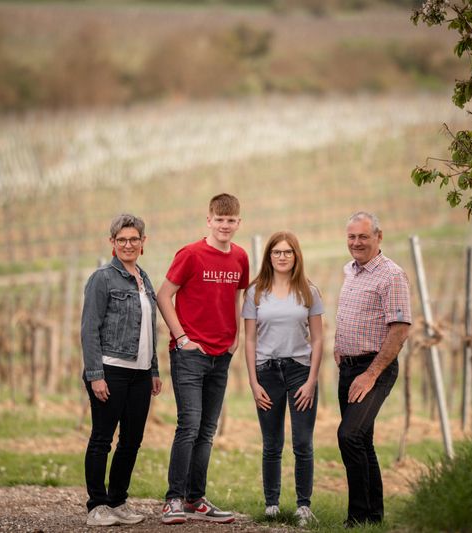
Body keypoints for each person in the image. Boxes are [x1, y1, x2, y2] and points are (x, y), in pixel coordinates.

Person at [157, 193, 250, 525]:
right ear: (209, 220)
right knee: (189, 425)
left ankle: (195, 500)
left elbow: (237, 297)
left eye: (231, 220)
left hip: (221, 355)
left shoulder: (240, 257)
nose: (225, 225)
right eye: (219, 219)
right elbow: (164, 295)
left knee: (208, 430)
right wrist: (182, 338)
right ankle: (173, 500)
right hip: (190, 355)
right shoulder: (191, 254)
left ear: (238, 223)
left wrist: (236, 336)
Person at [80, 213, 163, 527]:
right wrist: (95, 375)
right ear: (112, 243)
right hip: (110, 370)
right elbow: (89, 329)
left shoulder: (144, 278)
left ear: (143, 242)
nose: (128, 245)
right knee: (102, 439)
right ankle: (97, 506)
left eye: (134, 239)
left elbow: (150, 328)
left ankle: (117, 500)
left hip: (140, 374)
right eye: (122, 240)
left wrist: (153, 370)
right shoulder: (102, 278)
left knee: (131, 441)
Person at [334, 211, 411, 527]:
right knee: (362, 440)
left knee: (349, 435)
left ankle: (356, 517)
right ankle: (373, 518)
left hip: (375, 368)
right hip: (348, 367)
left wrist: (370, 374)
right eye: (352, 236)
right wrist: (340, 345)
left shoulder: (391, 275)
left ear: (379, 237)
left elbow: (400, 329)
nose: (356, 242)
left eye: (363, 236)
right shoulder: (350, 270)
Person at [242, 231, 324, 527]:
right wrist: (254, 383)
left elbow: (318, 339)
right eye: (276, 252)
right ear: (269, 256)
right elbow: (250, 339)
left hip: (300, 371)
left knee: (302, 443)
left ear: (296, 256)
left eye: (288, 252)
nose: (282, 257)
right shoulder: (255, 292)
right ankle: (272, 505)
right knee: (272, 444)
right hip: (266, 372)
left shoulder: (309, 291)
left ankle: (303, 506)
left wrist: (311, 380)